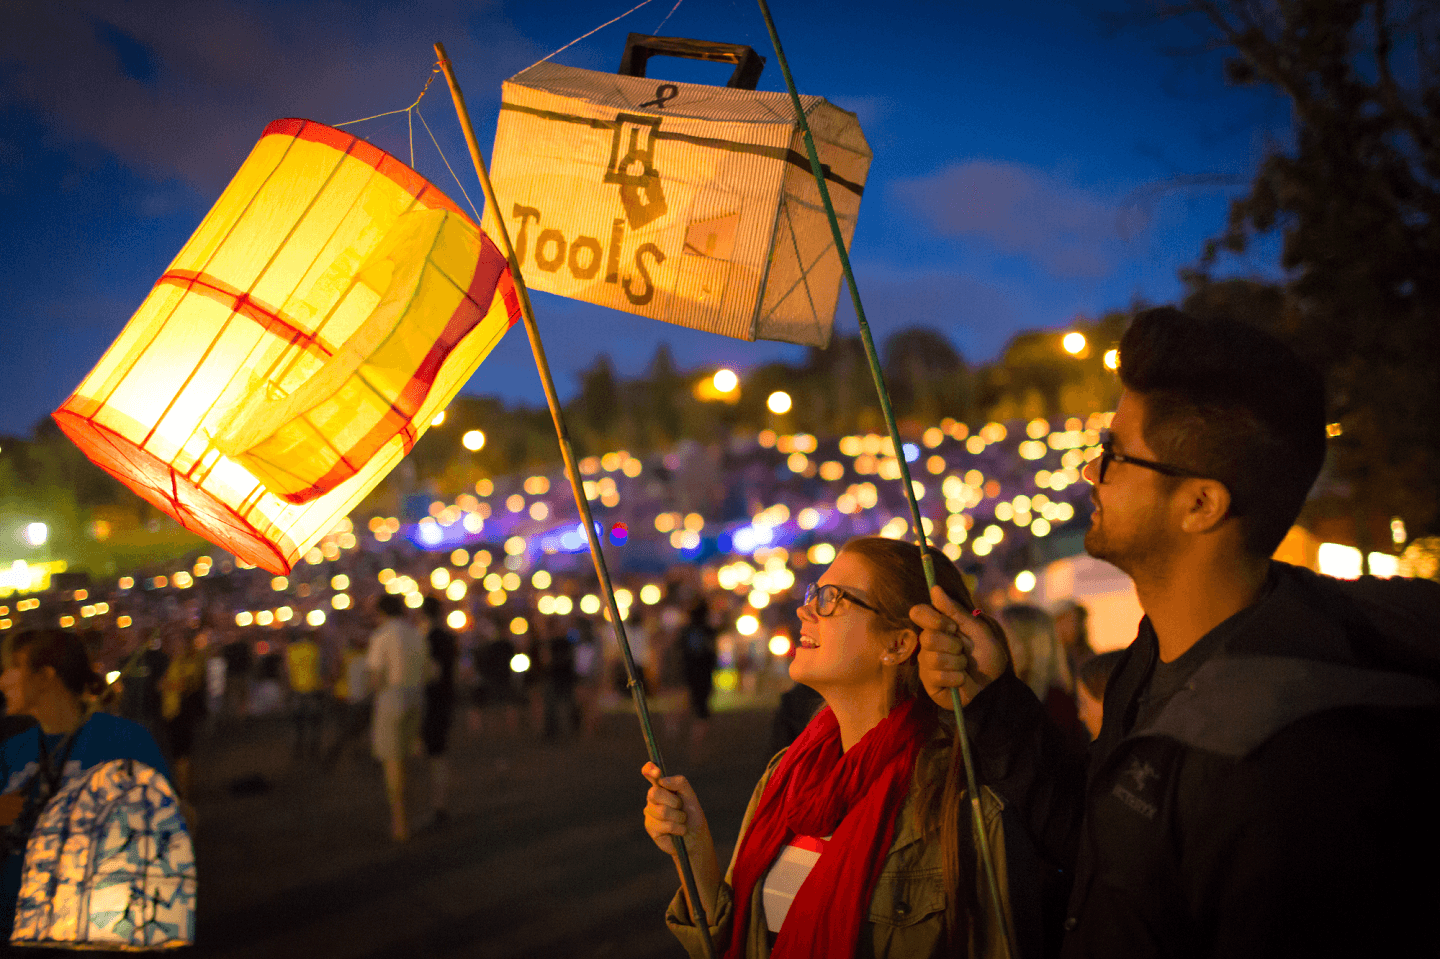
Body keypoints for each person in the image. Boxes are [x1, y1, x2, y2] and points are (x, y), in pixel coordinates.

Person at [917, 306, 1440, 958]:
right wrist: (992, 699)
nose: (1090, 473)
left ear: (1201, 504)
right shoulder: (1156, 655)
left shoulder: (1285, 764)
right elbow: (1103, 845)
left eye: (1113, 454)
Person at [644, 537, 1082, 959]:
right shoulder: (789, 773)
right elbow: (741, 941)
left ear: (897, 643)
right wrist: (696, 851)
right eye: (815, 592)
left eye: (830, 598)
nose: (804, 609)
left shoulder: (956, 796)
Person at [0, 629, 170, 938]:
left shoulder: (124, 741)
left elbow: (173, 826)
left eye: (14, 667)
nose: (4, 680)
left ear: (46, 677)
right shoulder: (11, 752)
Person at [366, 594, 427, 842]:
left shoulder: (382, 636)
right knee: (407, 761)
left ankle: (400, 824)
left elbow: (376, 678)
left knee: (392, 763)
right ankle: (409, 818)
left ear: (381, 612)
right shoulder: (416, 634)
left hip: (392, 700)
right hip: (416, 699)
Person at [419, 596, 457, 825]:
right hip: (447, 698)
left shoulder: (431, 639)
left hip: (433, 701)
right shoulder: (448, 638)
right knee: (439, 754)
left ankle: (438, 806)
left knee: (435, 755)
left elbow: (433, 672)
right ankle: (439, 803)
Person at [284, 630, 325, 761]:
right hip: (313, 689)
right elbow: (320, 668)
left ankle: (298, 751)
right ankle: (314, 751)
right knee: (314, 723)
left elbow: (286, 671)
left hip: (296, 690)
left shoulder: (291, 650)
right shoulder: (314, 649)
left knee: (298, 724)